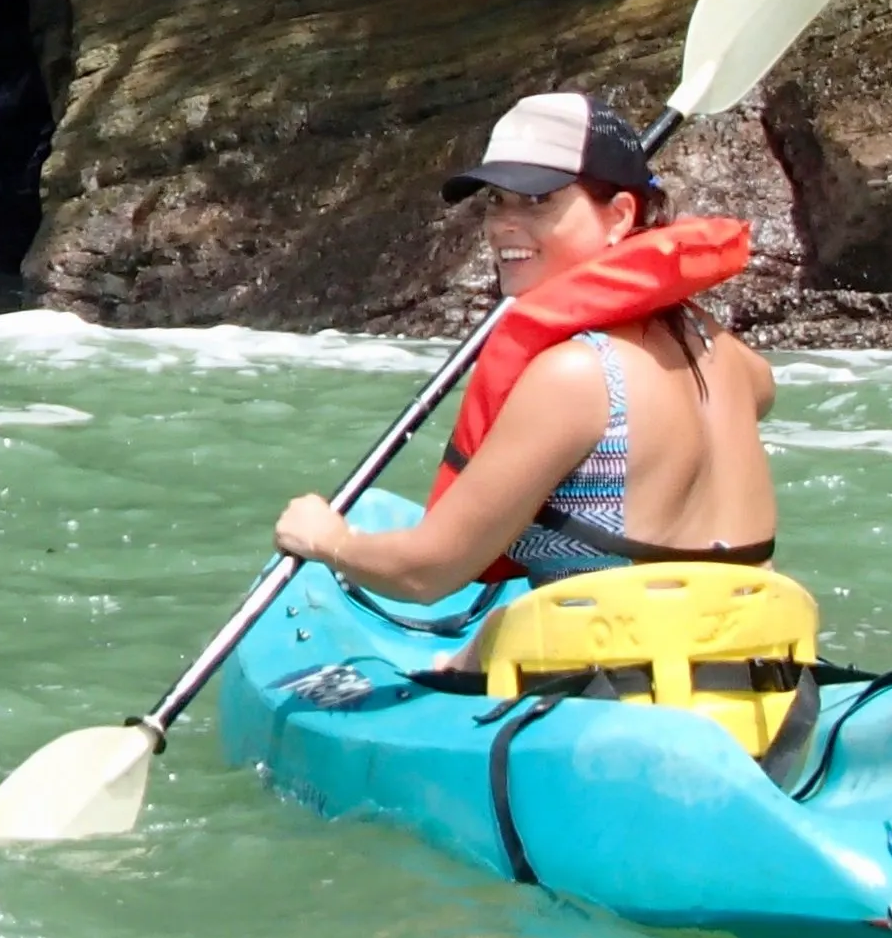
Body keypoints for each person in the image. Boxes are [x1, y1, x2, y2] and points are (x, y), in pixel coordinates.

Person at [272, 92, 777, 608]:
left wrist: (326, 539)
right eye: (496, 199)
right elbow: (761, 392)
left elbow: (426, 575)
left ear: (621, 215)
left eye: (539, 201)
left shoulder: (575, 376)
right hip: (772, 672)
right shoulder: (719, 347)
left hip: (621, 684)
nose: (503, 225)